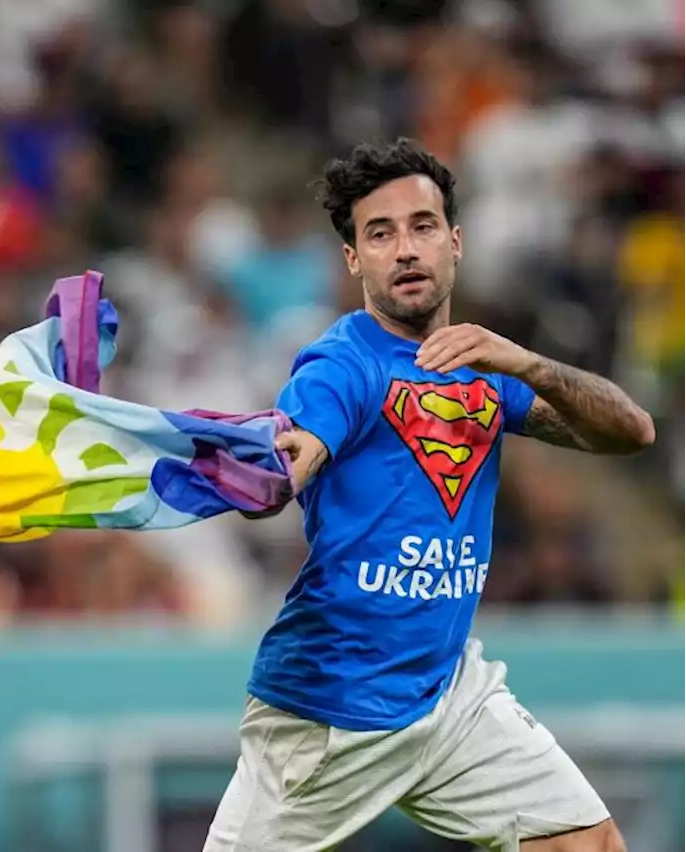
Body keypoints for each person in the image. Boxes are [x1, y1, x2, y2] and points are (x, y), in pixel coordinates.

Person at [203, 139, 653, 852]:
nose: (405, 249)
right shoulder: (341, 363)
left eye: (421, 226)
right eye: (379, 234)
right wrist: (286, 465)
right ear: (354, 259)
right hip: (329, 710)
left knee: (591, 845)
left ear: (455, 241)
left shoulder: (486, 368)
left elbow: (631, 432)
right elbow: (306, 440)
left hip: (448, 695)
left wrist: (528, 362)